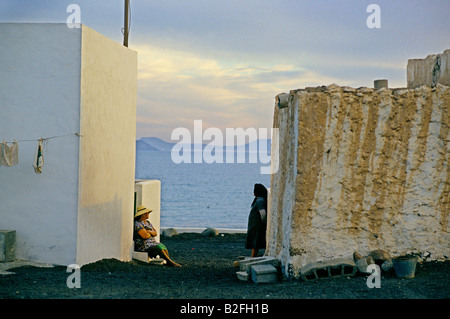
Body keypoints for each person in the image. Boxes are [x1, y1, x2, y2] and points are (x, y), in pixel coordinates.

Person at [246, 183, 268, 257]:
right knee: (256, 239)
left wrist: (264, 222)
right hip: (256, 223)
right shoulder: (260, 199)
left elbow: (263, 213)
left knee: (256, 240)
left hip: (257, 224)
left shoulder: (260, 201)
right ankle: (254, 256)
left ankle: (253, 256)